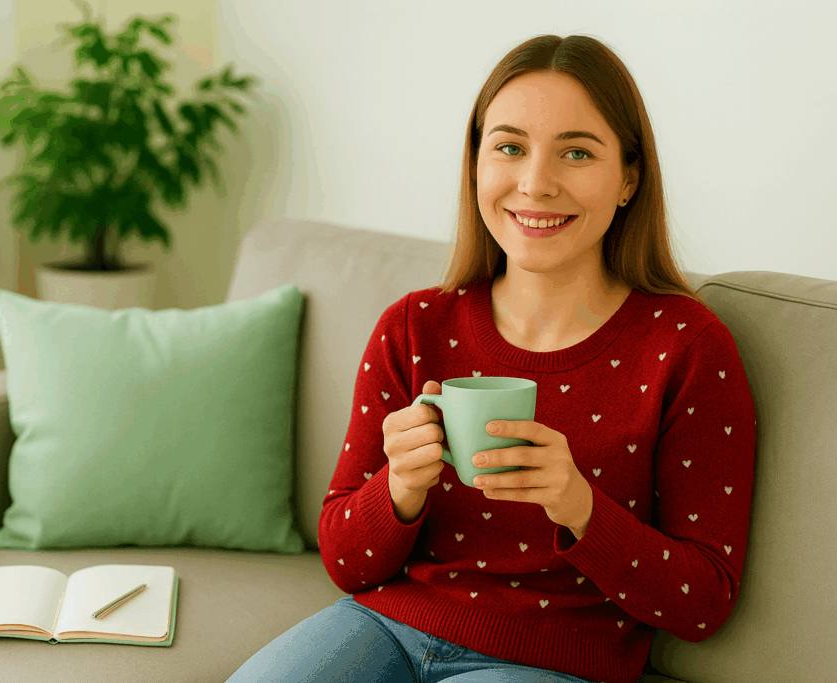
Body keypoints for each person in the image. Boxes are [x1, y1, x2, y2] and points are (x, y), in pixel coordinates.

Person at [226, 33, 756, 683]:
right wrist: (398, 490)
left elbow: (704, 601)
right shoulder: (414, 326)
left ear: (628, 179)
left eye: (577, 152)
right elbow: (344, 558)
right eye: (508, 146)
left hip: (549, 658)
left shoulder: (688, 346)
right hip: (384, 626)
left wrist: (579, 506)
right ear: (476, 163)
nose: (536, 182)